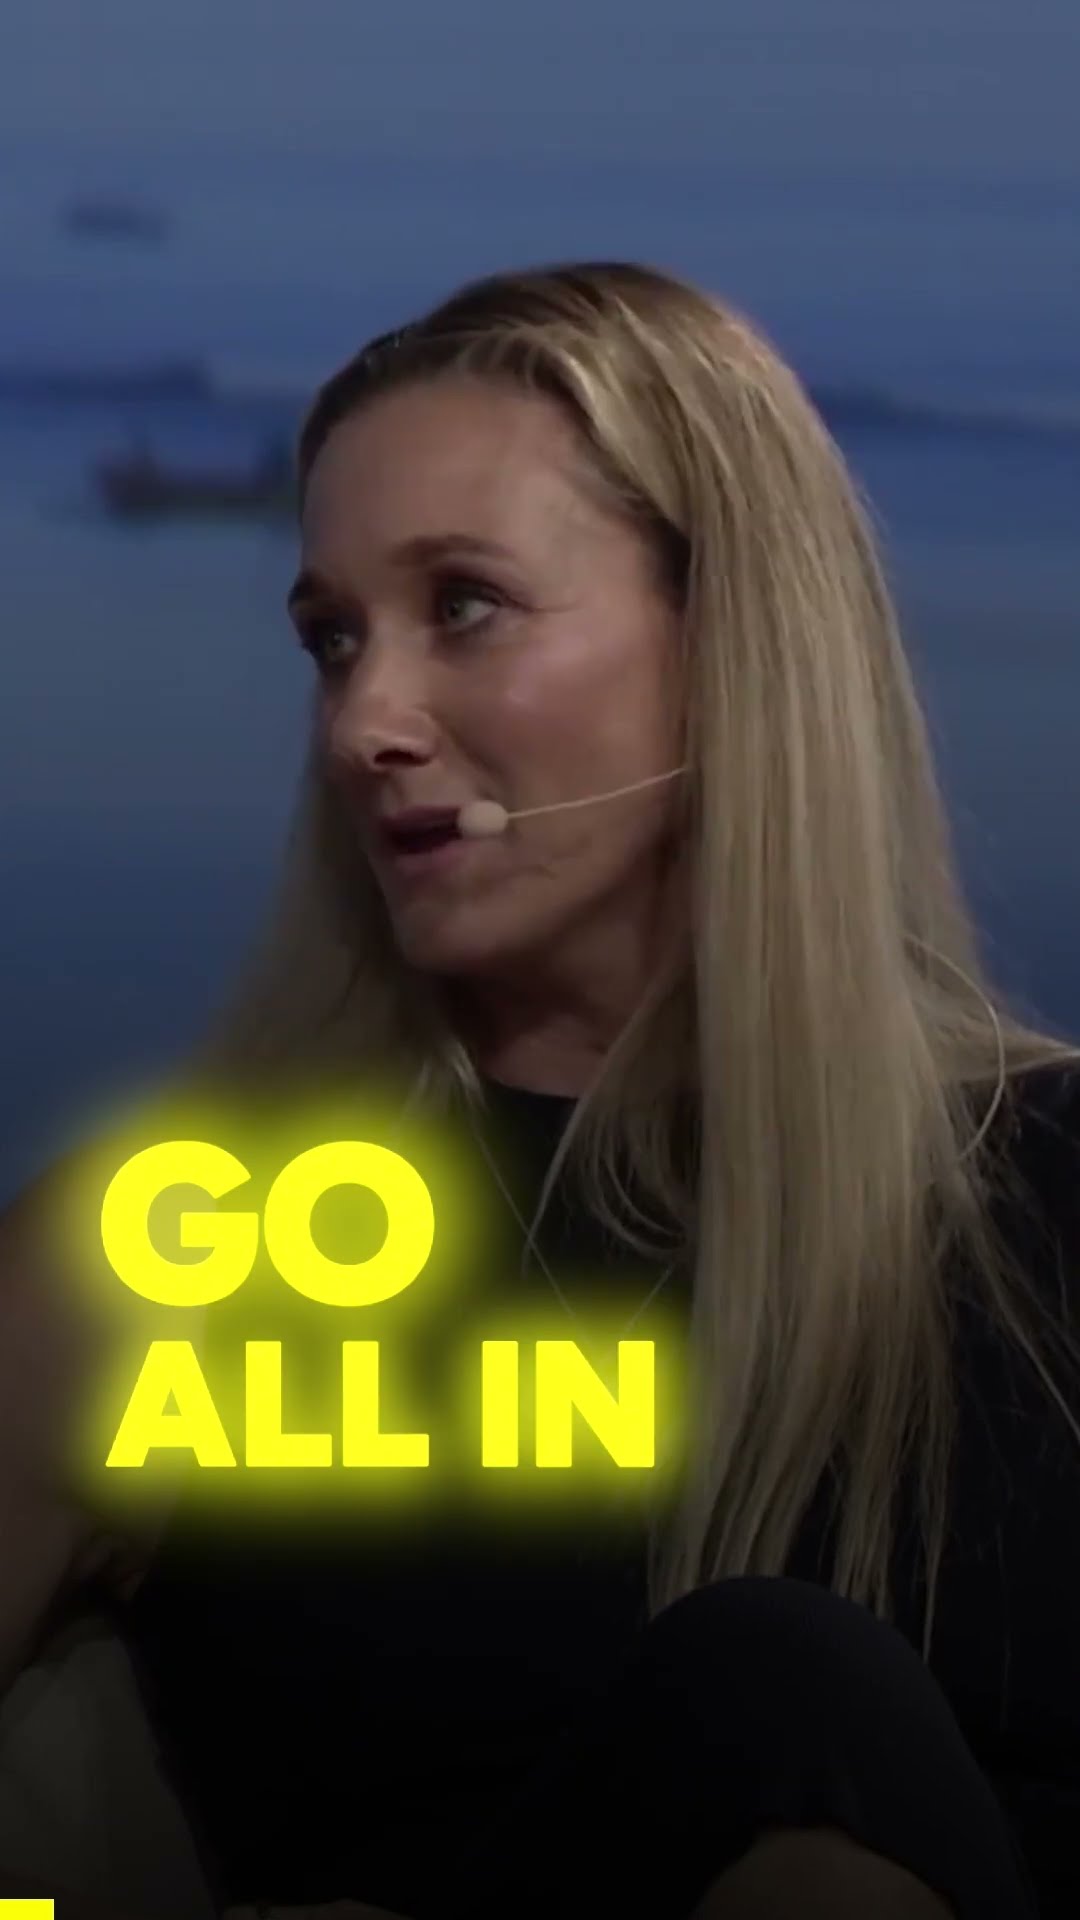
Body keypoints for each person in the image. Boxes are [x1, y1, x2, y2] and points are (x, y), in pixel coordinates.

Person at [2, 259, 1080, 1920]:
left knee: (791, 1700)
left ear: (731, 641)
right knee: (768, 1689)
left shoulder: (1051, 1203)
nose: (363, 722)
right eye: (332, 640)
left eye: (465, 607)